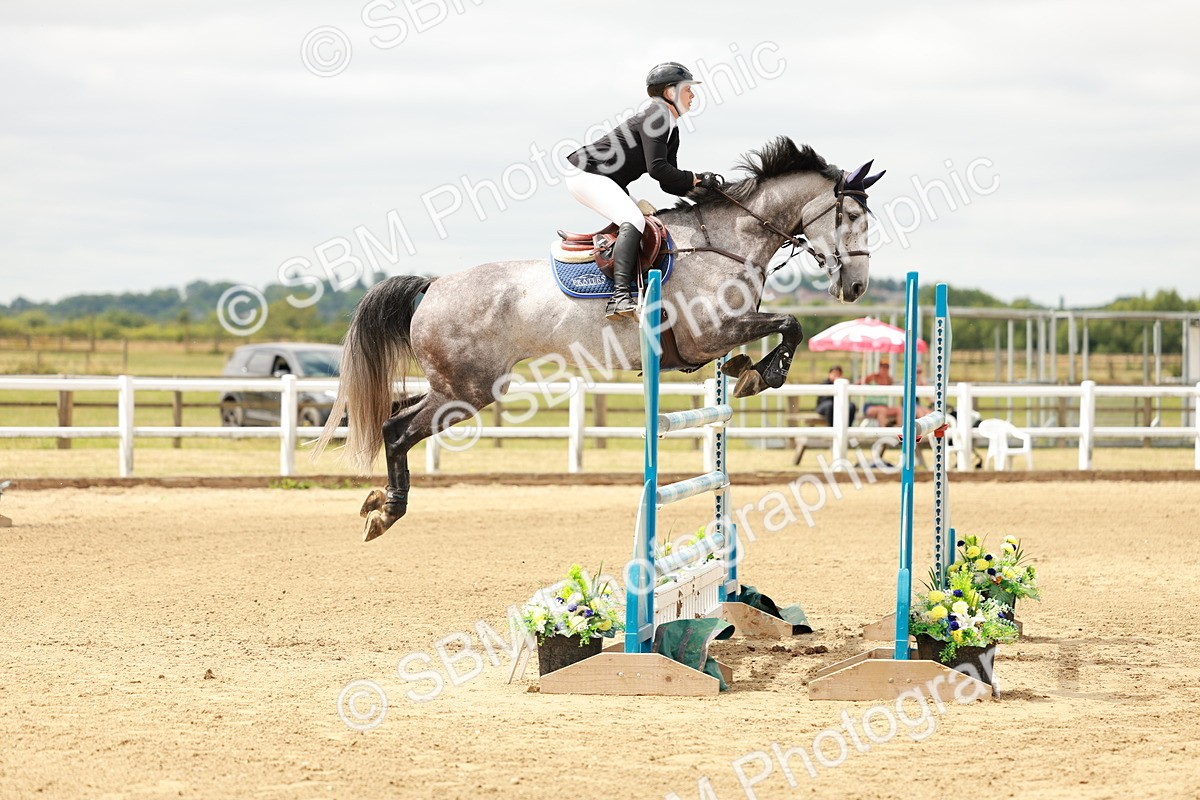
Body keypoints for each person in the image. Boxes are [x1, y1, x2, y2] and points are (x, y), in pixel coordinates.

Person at [565, 62, 722, 321]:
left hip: (603, 178)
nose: (693, 95)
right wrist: (696, 177)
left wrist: (700, 187)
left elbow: (668, 182)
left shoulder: (670, 126)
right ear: (670, 93)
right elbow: (658, 169)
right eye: (687, 90)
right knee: (634, 219)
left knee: (647, 220)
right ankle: (619, 297)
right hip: (587, 174)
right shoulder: (657, 117)